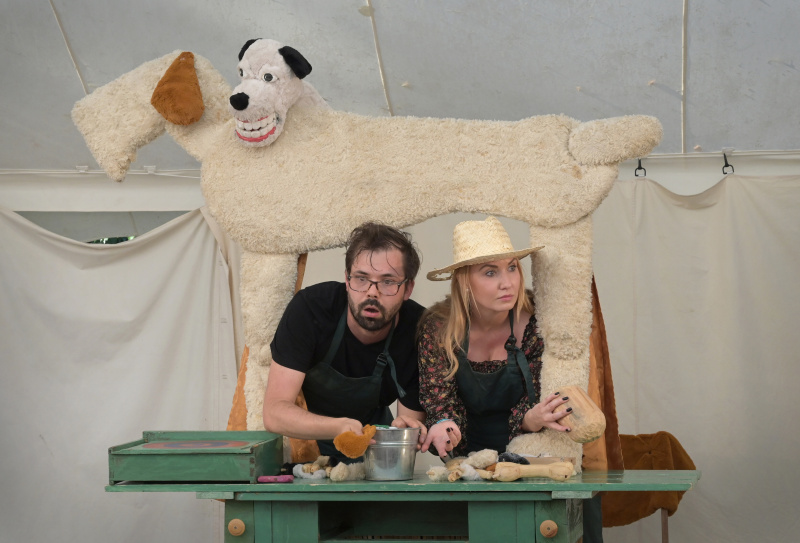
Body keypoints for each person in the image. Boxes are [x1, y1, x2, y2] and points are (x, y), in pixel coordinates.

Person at [418, 215, 602, 542]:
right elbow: (438, 399)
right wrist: (444, 425)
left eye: (512, 268)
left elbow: (541, 399)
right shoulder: (438, 329)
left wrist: (531, 419)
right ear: (464, 281)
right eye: (490, 272)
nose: (508, 283)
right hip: (471, 466)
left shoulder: (539, 321)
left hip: (536, 461)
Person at [262, 222, 427, 463]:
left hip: (372, 448)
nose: (372, 292)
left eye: (388, 282)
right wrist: (339, 427)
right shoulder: (310, 309)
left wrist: (406, 432)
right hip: (304, 441)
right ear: (347, 281)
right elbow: (274, 413)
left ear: (408, 289)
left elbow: (409, 427)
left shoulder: (420, 332)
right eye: (361, 278)